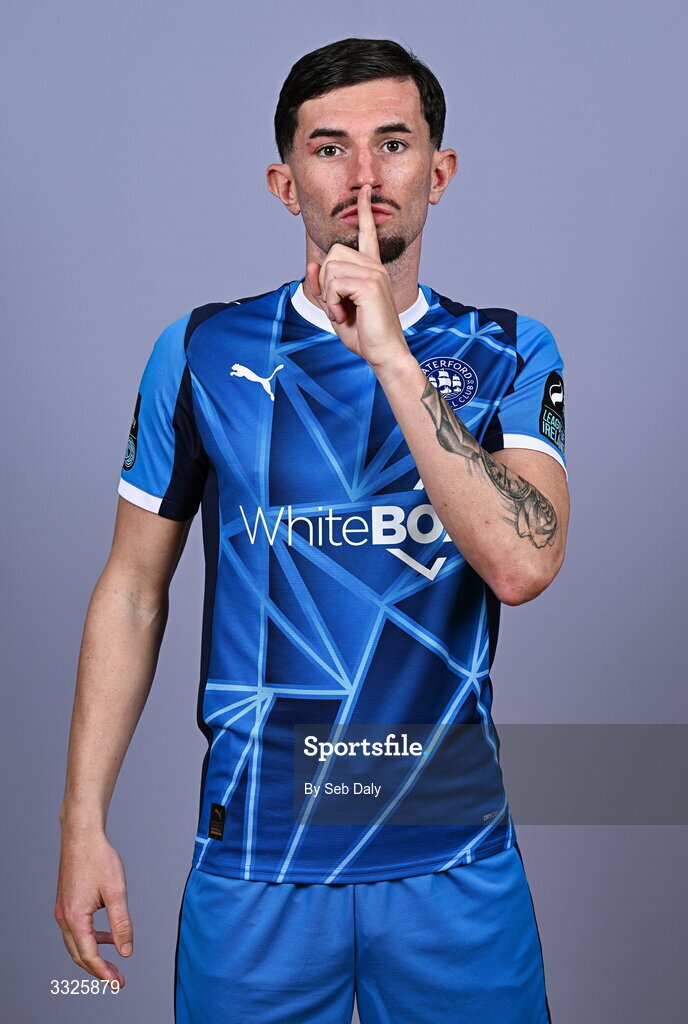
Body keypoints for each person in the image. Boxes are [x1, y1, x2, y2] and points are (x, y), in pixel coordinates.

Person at [54, 36, 569, 1024]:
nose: (365, 177)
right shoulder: (201, 350)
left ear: (440, 170)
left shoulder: (506, 349)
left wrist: (388, 351)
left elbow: (519, 562)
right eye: (329, 148)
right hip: (257, 859)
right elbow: (131, 591)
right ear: (284, 181)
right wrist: (82, 821)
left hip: (452, 858)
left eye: (394, 143)